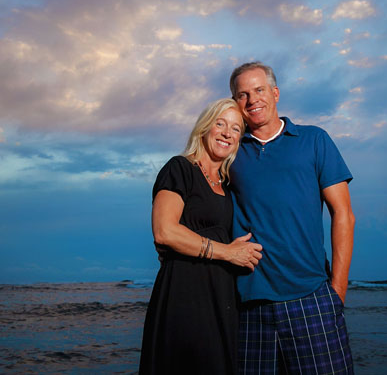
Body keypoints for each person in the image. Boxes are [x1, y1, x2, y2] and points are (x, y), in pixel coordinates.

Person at [229, 61, 356, 374]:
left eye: (259, 90)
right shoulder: (229, 152)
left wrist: (337, 292)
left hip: (311, 297)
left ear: (275, 93)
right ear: (235, 102)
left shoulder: (314, 140)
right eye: (243, 94)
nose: (252, 99)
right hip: (249, 304)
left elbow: (343, 214)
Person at [139, 98, 263, 375]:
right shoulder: (180, 168)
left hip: (221, 297)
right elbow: (164, 231)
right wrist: (228, 252)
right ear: (205, 127)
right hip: (184, 294)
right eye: (220, 124)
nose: (227, 133)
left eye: (235, 128)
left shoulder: (229, 186)